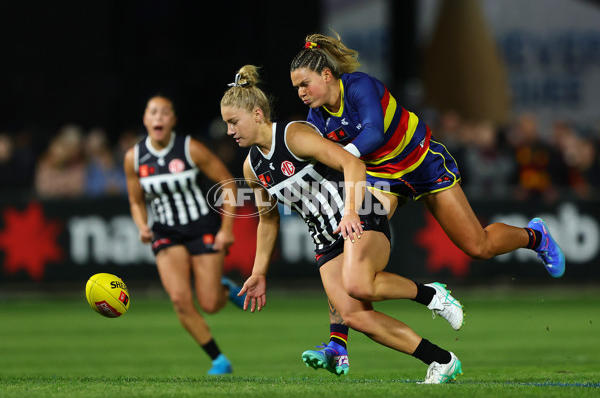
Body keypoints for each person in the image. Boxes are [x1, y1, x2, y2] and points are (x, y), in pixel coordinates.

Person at [289, 33, 566, 375]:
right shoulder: (317, 120)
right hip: (382, 180)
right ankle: (337, 342)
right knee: (348, 240)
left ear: (327, 75)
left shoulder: (359, 86)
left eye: (305, 84)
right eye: (296, 88)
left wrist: (342, 158)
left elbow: (374, 132)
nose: (301, 93)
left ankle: (535, 237)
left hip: (423, 165)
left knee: (478, 246)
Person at [221, 65, 464, 384]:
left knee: (360, 285)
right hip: (325, 239)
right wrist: (259, 271)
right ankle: (442, 360)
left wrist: (350, 210)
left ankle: (431, 294)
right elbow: (268, 219)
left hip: (359, 213)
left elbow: (352, 162)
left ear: (256, 114)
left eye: (232, 122)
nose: (228, 131)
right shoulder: (252, 166)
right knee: (355, 316)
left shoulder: (294, 135)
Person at [124, 94, 246, 375]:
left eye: (165, 113)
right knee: (179, 299)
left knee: (210, 304)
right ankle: (219, 360)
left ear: (173, 120)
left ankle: (224, 289)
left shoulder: (190, 148)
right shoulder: (134, 157)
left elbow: (228, 184)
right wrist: (142, 225)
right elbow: (135, 200)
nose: (158, 117)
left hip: (201, 227)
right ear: (145, 119)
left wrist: (227, 230)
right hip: (165, 232)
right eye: (153, 112)